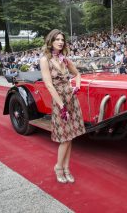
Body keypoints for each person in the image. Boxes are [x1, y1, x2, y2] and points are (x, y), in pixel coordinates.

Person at [39, 29, 86, 184]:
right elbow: (48, 85)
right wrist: (61, 106)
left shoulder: (65, 59)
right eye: (57, 39)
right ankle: (58, 167)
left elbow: (77, 74)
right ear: (51, 41)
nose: (60, 42)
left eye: (62, 39)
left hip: (71, 99)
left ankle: (66, 168)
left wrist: (77, 87)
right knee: (65, 138)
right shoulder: (45, 60)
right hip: (59, 101)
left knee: (70, 136)